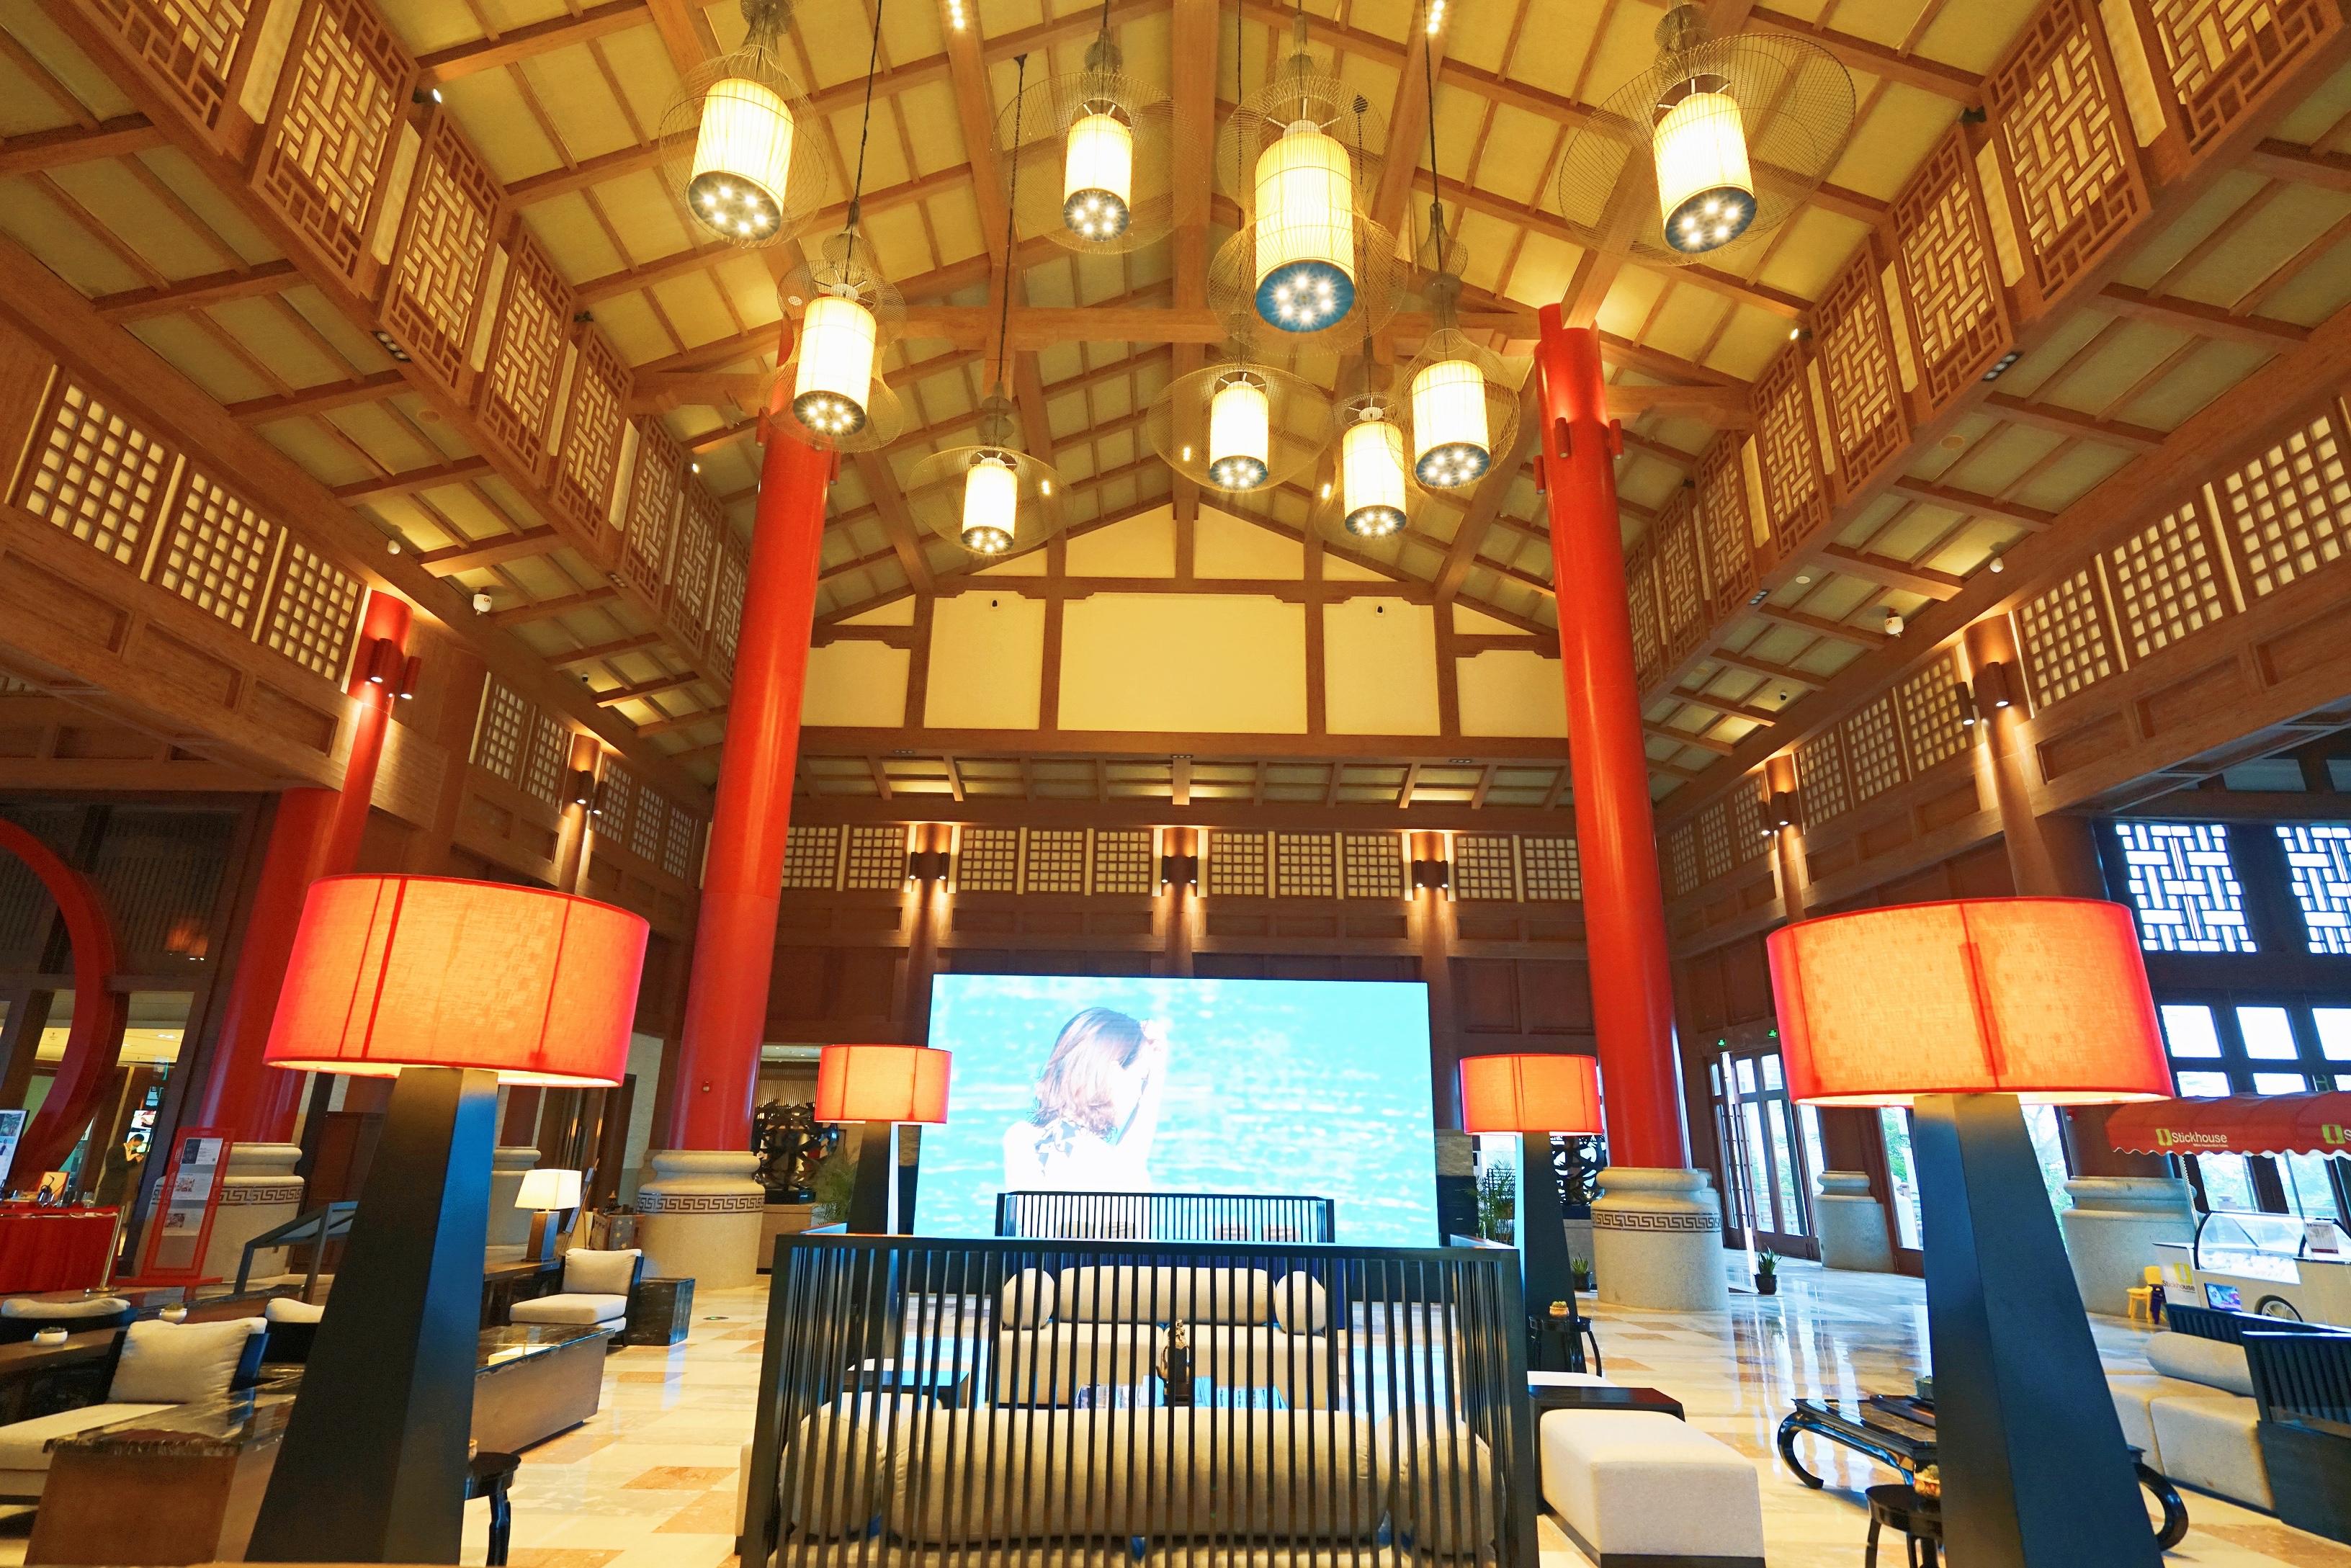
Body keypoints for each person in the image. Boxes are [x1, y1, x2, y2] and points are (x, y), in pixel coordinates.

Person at [1003, 1006, 1169, 1191]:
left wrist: (1155, 1079)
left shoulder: (1019, 1139)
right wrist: (1156, 1080)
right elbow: (1126, 1168)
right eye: (1141, 1079)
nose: (1139, 1093)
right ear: (1114, 1075)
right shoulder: (1114, 1170)